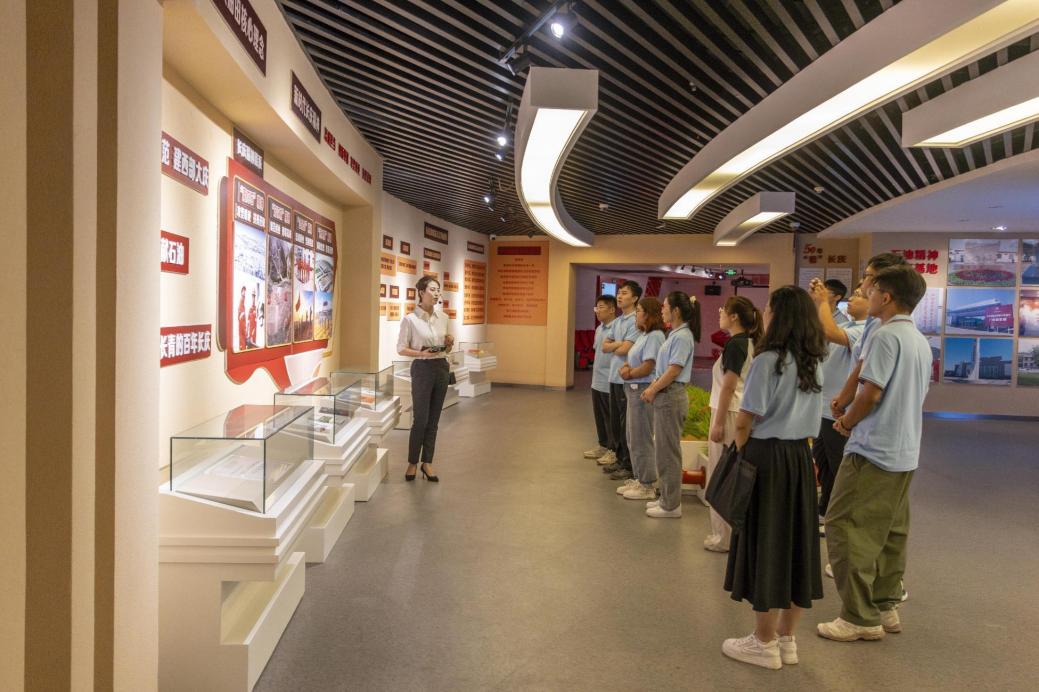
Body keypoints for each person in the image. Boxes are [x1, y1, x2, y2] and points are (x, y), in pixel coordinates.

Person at [817, 265, 932, 642]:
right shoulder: (918, 339)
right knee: (890, 531)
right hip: (904, 450)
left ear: (886, 296)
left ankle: (859, 616)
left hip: (873, 449)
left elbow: (872, 392)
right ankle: (884, 605)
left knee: (843, 525)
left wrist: (847, 421)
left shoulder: (885, 336)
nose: (865, 292)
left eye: (871, 287)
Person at [722, 286, 827, 670]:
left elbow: (745, 420)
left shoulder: (768, 360)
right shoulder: (815, 361)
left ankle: (762, 642)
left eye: (768, 308)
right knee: (798, 545)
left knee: (765, 542)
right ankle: (786, 638)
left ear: (779, 316)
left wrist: (740, 453)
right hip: (800, 458)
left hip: (766, 457)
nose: (764, 314)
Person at [808, 280, 868, 532]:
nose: (851, 299)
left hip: (838, 410)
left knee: (837, 465)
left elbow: (829, 332)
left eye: (858, 295)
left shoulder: (863, 329)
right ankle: (825, 510)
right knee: (823, 463)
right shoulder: (849, 325)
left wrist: (823, 301)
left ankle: (836, 517)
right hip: (824, 406)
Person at [704, 296, 762, 553]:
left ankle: (723, 536)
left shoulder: (736, 344)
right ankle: (730, 534)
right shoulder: (748, 342)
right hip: (737, 411)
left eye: (723, 310)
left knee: (722, 473)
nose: (720, 314)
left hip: (728, 412)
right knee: (731, 472)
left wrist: (717, 423)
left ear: (734, 316)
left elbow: (728, 386)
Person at [640, 292, 699, 518]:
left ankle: (671, 505)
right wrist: (653, 387)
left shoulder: (683, 336)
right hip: (665, 396)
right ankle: (666, 497)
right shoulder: (674, 334)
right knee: (663, 451)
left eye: (665, 306)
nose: (661, 309)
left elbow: (674, 370)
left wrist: (653, 389)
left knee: (668, 453)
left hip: (671, 396)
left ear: (676, 311)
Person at [396, 276, 453, 482]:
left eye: (438, 290)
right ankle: (412, 462)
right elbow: (401, 348)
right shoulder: (410, 320)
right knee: (421, 419)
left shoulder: (443, 318)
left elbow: (446, 349)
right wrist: (421, 353)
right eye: (432, 289)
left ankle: (427, 462)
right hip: (422, 368)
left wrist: (449, 344)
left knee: (434, 420)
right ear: (421, 292)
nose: (437, 293)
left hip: (441, 367)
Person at [616, 297, 666, 500]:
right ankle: (639, 477)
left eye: (638, 311)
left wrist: (630, 373)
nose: (635, 314)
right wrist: (625, 367)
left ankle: (647, 484)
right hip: (633, 390)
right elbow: (634, 358)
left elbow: (648, 366)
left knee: (641, 438)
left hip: (643, 389)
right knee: (632, 437)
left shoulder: (655, 336)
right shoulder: (644, 335)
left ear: (648, 314)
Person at [601, 281, 642, 481]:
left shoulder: (635, 321)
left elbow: (625, 350)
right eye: (619, 292)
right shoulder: (617, 321)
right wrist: (619, 344)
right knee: (616, 422)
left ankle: (627, 464)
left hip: (627, 379)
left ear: (634, 298)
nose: (619, 296)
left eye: (624, 293)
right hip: (614, 377)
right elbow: (604, 346)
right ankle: (618, 458)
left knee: (626, 424)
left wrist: (616, 346)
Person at [584, 295, 618, 463]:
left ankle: (613, 450)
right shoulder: (599, 329)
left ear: (612, 309)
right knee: (599, 417)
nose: (597, 311)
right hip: (596, 381)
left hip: (610, 380)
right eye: (596, 307)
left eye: (601, 307)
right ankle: (603, 445)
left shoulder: (617, 328)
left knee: (611, 418)